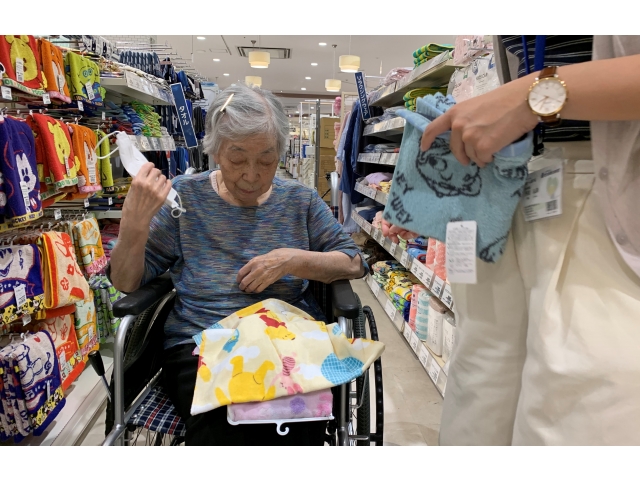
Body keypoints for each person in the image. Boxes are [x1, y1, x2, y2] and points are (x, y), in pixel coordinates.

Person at [383, 35, 640, 445]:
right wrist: (438, 202)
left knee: (575, 411)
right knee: (479, 393)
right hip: (517, 189)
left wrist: (534, 95)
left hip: (612, 193)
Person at [110, 83, 368, 446]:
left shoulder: (301, 201)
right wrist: (134, 226)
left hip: (287, 342)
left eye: (266, 160)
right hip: (202, 343)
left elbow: (354, 263)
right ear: (215, 150)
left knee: (299, 421)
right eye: (237, 159)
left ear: (280, 153)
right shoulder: (185, 198)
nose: (251, 174)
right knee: (225, 426)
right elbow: (126, 281)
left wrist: (291, 260)